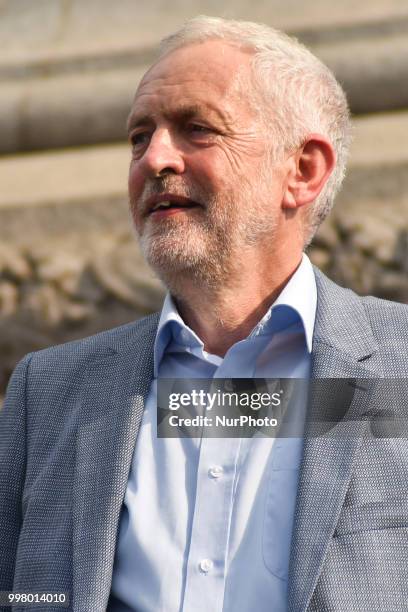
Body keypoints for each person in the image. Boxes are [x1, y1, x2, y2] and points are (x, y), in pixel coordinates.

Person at [1, 15, 408, 612]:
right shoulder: (50, 392)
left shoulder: (396, 363)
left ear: (302, 170)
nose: (155, 159)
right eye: (140, 137)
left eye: (196, 129)